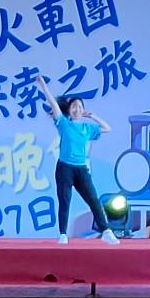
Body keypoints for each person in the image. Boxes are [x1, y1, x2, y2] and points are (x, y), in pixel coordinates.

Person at [34, 73, 120, 245]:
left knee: (93, 200)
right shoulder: (63, 123)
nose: (77, 109)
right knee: (65, 200)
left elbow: (107, 128)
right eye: (74, 106)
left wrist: (92, 116)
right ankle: (63, 234)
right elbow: (53, 103)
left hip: (81, 169)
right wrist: (43, 86)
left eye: (80, 107)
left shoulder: (88, 128)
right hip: (65, 168)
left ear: (83, 110)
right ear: (69, 110)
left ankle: (106, 231)